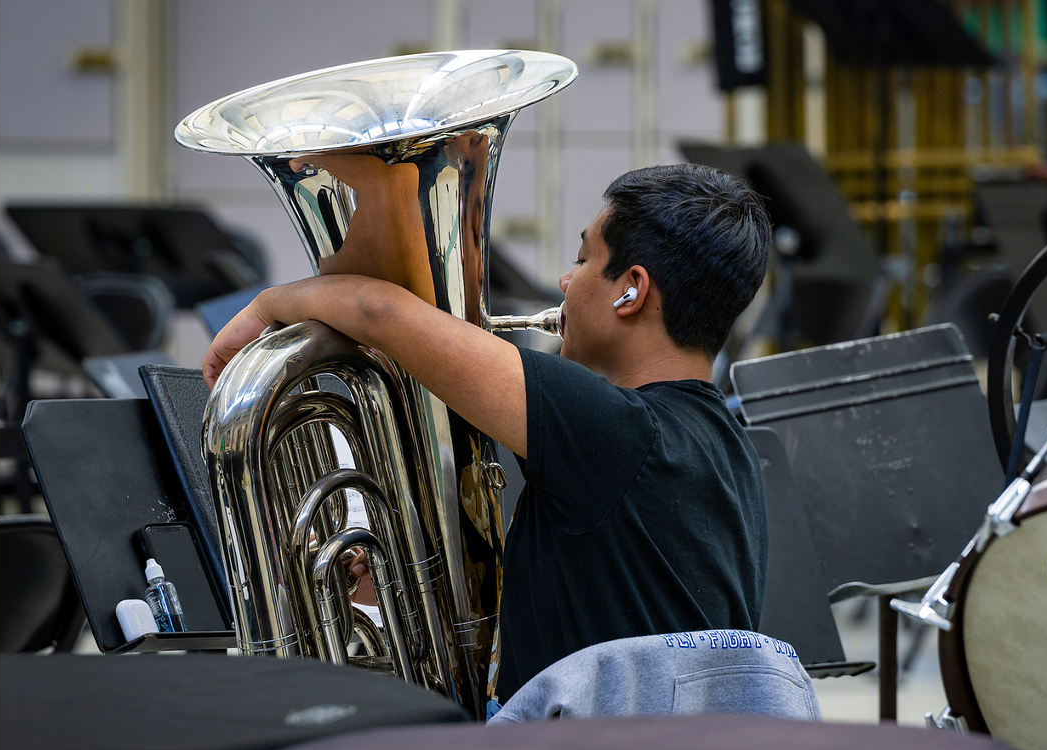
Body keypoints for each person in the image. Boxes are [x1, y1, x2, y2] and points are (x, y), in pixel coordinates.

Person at [203, 161, 772, 706]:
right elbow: (605, 594)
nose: (564, 280)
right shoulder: (729, 447)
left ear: (632, 290)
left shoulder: (618, 431)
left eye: (582, 259)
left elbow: (378, 310)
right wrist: (399, 580)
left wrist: (266, 306)